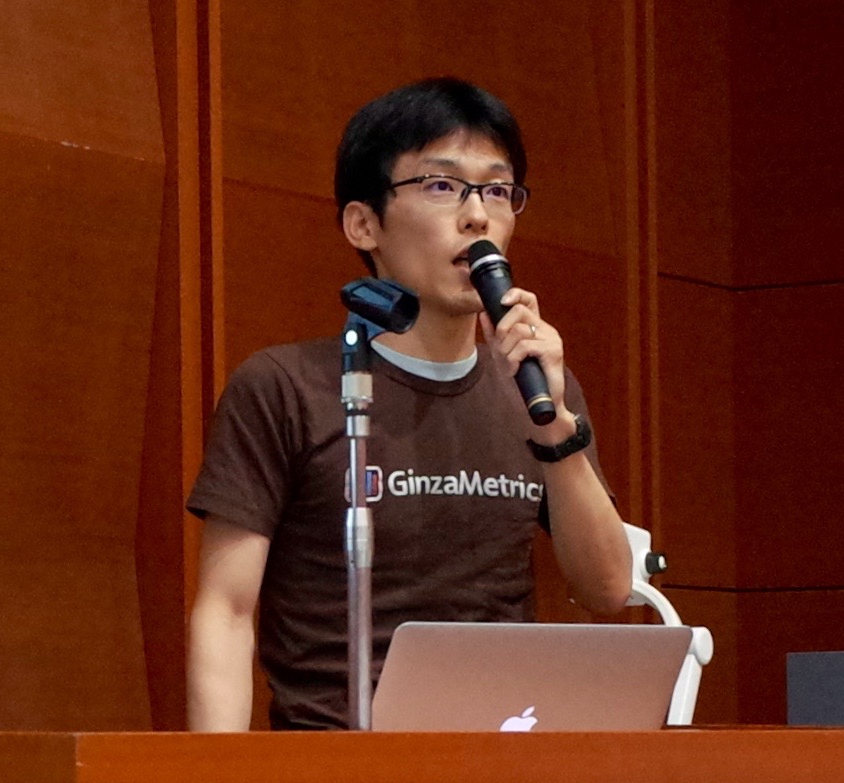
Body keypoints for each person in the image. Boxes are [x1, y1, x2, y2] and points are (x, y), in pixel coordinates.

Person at [186, 78, 633, 731]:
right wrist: (213, 782)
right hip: (334, 760)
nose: (477, 216)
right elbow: (225, 613)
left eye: (497, 191)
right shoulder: (285, 386)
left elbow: (608, 589)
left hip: (500, 755)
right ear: (363, 223)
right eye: (442, 185)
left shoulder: (535, 388)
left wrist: (556, 427)